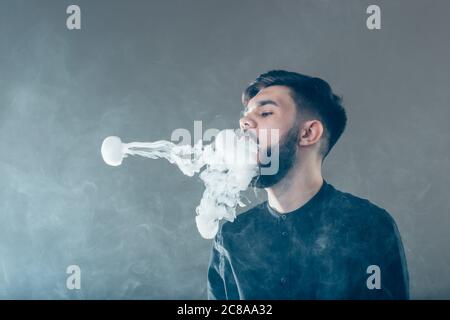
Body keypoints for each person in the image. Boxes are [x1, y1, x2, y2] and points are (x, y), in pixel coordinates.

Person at [207, 70, 409, 300]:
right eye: (245, 119)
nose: (244, 124)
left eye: (265, 112)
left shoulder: (368, 225)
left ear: (308, 133)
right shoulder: (231, 236)